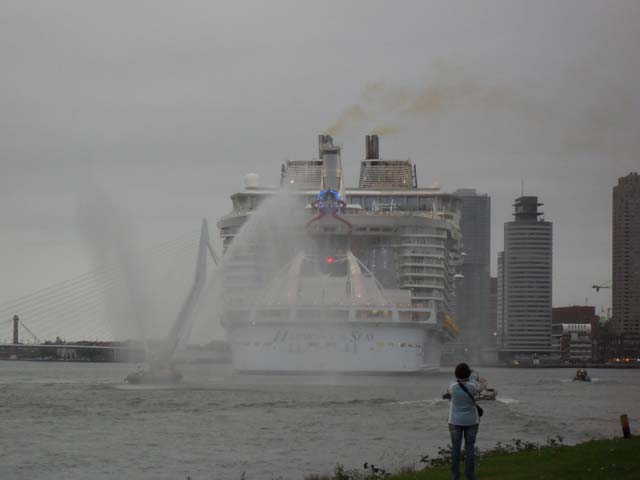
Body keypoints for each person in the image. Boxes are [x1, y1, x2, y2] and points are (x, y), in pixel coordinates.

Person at [445, 362, 481, 480]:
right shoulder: (473, 386)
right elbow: (478, 385)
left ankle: (455, 477)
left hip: (454, 421)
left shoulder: (452, 386)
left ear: (456, 374)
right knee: (470, 449)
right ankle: (470, 476)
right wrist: (473, 374)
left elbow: (452, 382)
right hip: (471, 421)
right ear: (468, 374)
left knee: (455, 449)